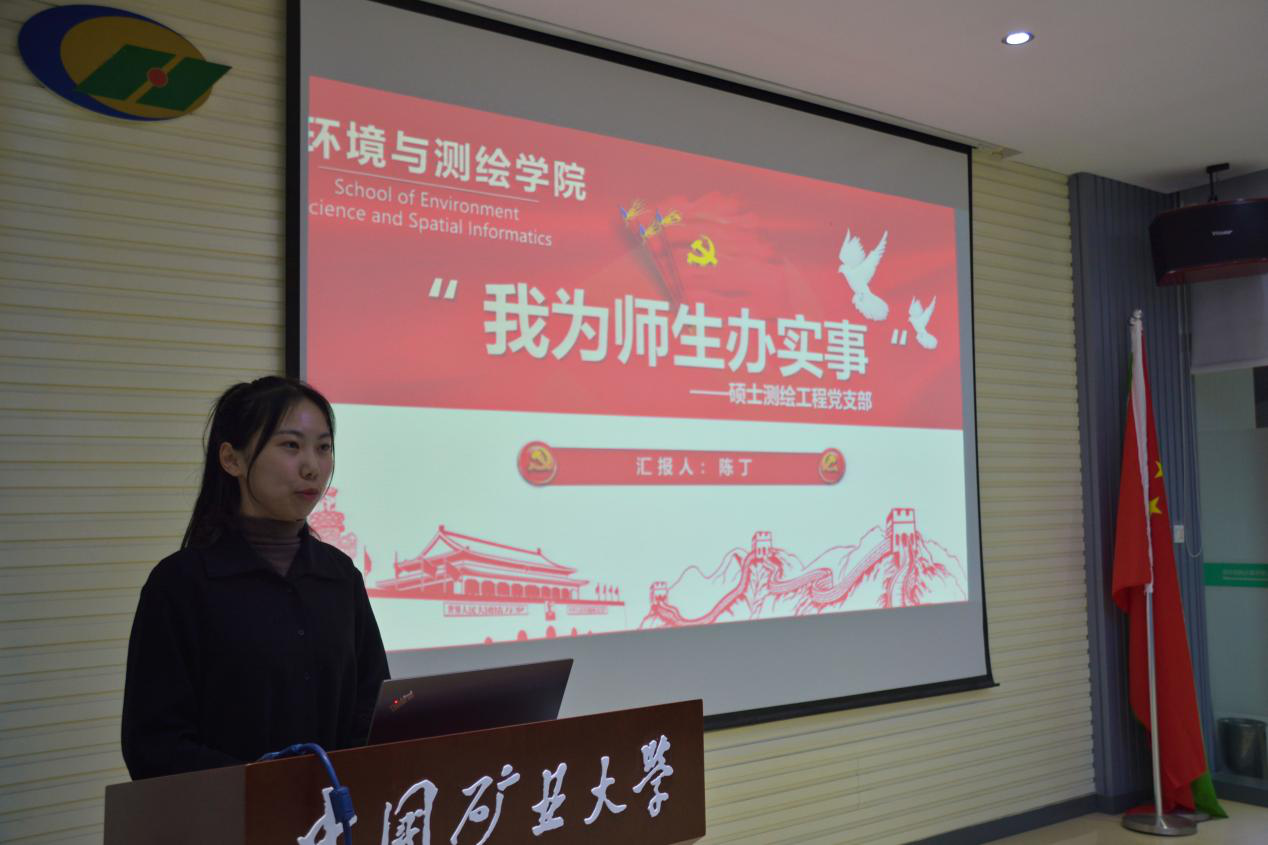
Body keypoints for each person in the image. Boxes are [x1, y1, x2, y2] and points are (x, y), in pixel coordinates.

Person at [121, 376, 389, 779]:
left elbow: (373, 709)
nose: (312, 467)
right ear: (233, 460)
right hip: (226, 812)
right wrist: (265, 786)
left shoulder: (340, 577)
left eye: (323, 447)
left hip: (334, 811)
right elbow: (154, 744)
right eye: (291, 446)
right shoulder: (181, 585)